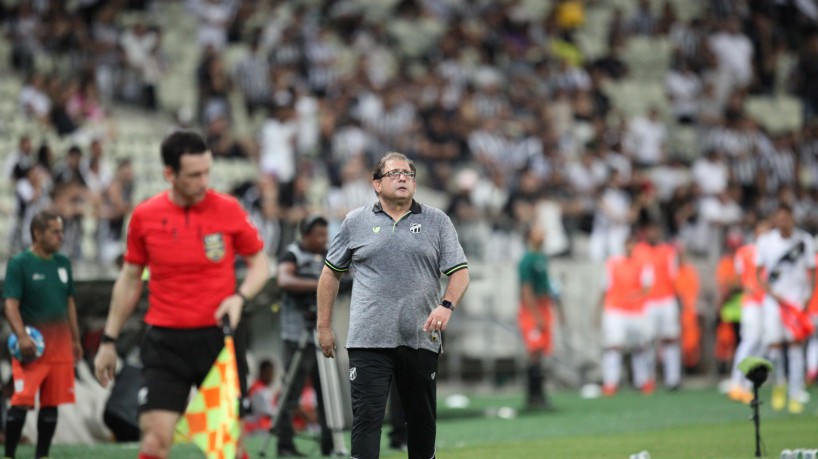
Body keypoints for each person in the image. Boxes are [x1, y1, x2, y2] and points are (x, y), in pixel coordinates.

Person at [92, 131, 270, 459]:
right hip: (165, 344)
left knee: (225, 449)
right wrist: (108, 340)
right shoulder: (145, 216)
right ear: (170, 174)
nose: (204, 181)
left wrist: (239, 298)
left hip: (218, 342)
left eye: (207, 172)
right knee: (154, 443)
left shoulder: (229, 210)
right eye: (194, 175)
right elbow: (129, 280)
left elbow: (261, 265)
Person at [316, 151, 470, 459]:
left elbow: (460, 272)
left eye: (409, 174)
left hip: (420, 337)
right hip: (368, 340)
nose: (403, 178)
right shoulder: (355, 221)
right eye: (394, 173)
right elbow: (331, 273)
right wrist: (323, 326)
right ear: (376, 183)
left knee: (422, 422)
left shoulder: (437, 221)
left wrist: (446, 305)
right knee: (367, 420)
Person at [3, 211, 82, 459]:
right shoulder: (20, 264)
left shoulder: (63, 263)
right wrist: (21, 336)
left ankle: (42, 455)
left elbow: (68, 302)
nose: (61, 236)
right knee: (21, 402)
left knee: (51, 405)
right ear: (37, 233)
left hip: (60, 348)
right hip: (32, 349)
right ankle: (10, 454)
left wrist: (76, 339)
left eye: (61, 231)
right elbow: (10, 304)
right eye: (54, 232)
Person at [275, 214, 333, 457]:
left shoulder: (328, 254)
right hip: (296, 335)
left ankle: (330, 444)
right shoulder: (292, 254)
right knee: (292, 392)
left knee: (328, 392)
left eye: (325, 234)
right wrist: (320, 286)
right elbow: (284, 279)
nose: (323, 239)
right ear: (306, 236)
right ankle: (285, 445)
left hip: (322, 333)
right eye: (318, 235)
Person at [755, 205, 816, 414]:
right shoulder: (766, 242)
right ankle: (779, 383)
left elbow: (812, 270)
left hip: (796, 301)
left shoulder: (804, 241)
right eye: (779, 219)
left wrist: (808, 296)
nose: (783, 223)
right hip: (775, 301)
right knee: (775, 345)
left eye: (786, 219)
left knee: (795, 345)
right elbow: (758, 273)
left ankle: (795, 391)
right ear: (775, 220)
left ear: (792, 219)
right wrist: (771, 293)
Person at [597, 233, 654, 396]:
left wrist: (635, 297)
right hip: (616, 309)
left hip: (637, 311)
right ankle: (610, 383)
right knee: (614, 346)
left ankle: (643, 381)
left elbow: (647, 287)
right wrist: (598, 309)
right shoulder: (613, 263)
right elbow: (604, 287)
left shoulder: (643, 264)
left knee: (640, 347)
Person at [517, 221, 563, 408]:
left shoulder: (542, 258)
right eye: (538, 231)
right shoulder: (527, 261)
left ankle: (538, 396)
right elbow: (526, 291)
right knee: (534, 351)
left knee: (541, 351)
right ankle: (533, 397)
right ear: (530, 236)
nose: (543, 234)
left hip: (543, 308)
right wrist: (536, 316)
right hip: (532, 310)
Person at [633, 222, 681, 391]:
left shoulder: (668, 251)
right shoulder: (638, 251)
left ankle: (672, 380)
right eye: (650, 230)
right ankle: (644, 379)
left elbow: (674, 276)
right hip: (647, 302)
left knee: (670, 339)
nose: (653, 233)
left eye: (656, 230)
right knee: (645, 341)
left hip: (666, 299)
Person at [727, 220, 770, 404]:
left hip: (768, 302)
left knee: (763, 341)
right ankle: (736, 382)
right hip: (752, 302)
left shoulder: (771, 252)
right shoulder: (744, 252)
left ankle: (746, 383)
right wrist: (747, 287)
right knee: (749, 340)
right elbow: (735, 281)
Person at [243, 359, 276, 435]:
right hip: (256, 431)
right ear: (262, 372)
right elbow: (268, 412)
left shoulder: (259, 388)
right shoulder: (259, 390)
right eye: (269, 373)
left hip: (258, 430)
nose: (271, 377)